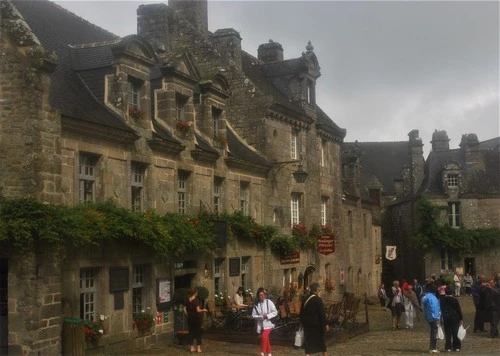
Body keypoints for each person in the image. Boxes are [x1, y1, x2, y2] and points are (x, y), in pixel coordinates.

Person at [299, 282, 329, 356]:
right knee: (322, 343)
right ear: (317, 290)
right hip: (317, 326)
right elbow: (322, 314)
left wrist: (303, 323)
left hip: (307, 325)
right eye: (319, 290)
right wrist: (326, 324)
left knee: (308, 344)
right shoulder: (318, 300)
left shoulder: (305, 299)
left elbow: (301, 313)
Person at [252, 288, 278, 356]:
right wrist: (260, 317)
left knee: (264, 337)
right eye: (260, 295)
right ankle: (269, 353)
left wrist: (268, 316)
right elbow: (254, 315)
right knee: (266, 339)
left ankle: (262, 352)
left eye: (263, 295)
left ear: (265, 295)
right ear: (258, 296)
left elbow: (275, 312)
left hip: (269, 324)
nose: (262, 296)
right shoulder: (256, 305)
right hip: (261, 325)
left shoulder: (268, 302)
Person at [184, 287, 208, 353]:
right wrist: (203, 310)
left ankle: (192, 347)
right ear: (195, 293)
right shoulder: (196, 300)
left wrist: (188, 315)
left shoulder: (187, 299)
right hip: (196, 318)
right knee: (198, 332)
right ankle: (198, 348)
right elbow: (198, 310)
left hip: (190, 318)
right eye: (196, 292)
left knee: (191, 332)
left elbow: (184, 309)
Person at [440, 286, 463, 352]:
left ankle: (448, 347)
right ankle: (456, 347)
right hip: (455, 317)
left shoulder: (443, 300)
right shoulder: (454, 299)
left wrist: (441, 318)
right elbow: (458, 309)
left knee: (448, 333)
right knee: (455, 332)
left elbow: (441, 309)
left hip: (446, 318)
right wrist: (461, 318)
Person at [422, 282, 441, 354]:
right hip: (433, 317)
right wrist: (437, 317)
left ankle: (432, 347)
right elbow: (435, 308)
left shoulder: (426, 296)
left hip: (429, 317)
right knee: (434, 332)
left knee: (433, 332)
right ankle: (432, 347)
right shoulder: (432, 297)